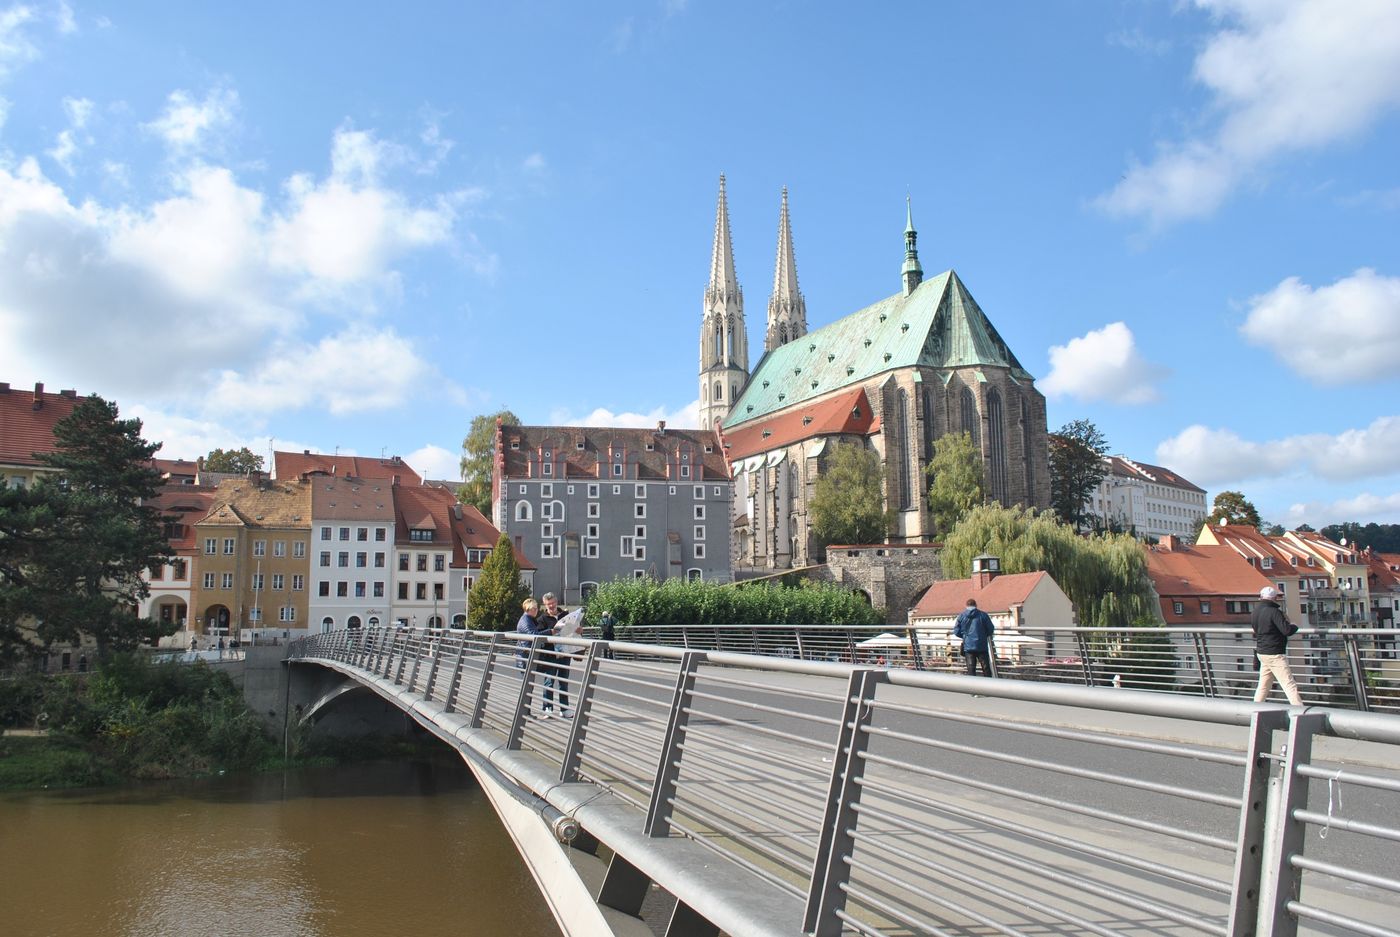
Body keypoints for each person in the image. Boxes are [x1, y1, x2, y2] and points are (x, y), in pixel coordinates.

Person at [1252, 586, 1303, 705]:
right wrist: (1294, 626)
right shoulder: (1274, 612)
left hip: (1262, 652)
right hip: (1275, 653)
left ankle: (1254, 708)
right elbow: (1286, 631)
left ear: (1261, 597)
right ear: (1275, 598)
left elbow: (1255, 629)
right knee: (1289, 684)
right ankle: (1300, 711)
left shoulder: (1255, 611)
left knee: (1263, 685)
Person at [537, 592, 572, 717]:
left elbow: (573, 630)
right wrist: (551, 632)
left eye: (553, 603)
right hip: (550, 654)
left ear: (556, 602)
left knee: (563, 682)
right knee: (549, 682)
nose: (551, 606)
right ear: (545, 605)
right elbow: (538, 635)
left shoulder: (566, 615)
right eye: (548, 604)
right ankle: (547, 708)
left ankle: (564, 709)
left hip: (564, 654)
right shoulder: (542, 619)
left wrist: (578, 629)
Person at [952, 599, 995, 678]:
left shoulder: (961, 616)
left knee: (971, 670)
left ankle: (972, 688)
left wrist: (965, 636)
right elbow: (991, 629)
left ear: (966, 606)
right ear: (976, 605)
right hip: (981, 645)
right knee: (986, 669)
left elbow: (956, 631)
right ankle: (989, 686)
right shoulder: (983, 615)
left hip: (968, 646)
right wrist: (983, 635)